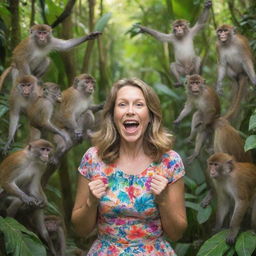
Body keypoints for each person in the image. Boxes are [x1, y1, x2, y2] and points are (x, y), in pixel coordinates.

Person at [71, 78, 187, 256]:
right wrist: (91, 203)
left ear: (150, 115)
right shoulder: (93, 159)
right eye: (122, 104)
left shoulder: (170, 161)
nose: (130, 111)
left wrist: (163, 202)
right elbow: (80, 230)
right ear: (112, 115)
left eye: (139, 105)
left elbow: (177, 233)